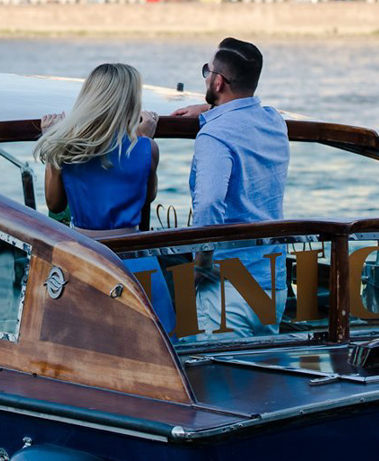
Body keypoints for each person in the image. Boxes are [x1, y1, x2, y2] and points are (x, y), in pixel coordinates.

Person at [184, 37, 289, 335]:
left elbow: (208, 204)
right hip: (272, 281)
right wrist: (207, 109)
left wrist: (202, 263)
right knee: (261, 377)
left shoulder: (215, 137)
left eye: (208, 71)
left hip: (228, 285)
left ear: (218, 82)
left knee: (220, 378)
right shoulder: (274, 122)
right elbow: (242, 112)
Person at [37, 63, 160, 237]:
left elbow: (55, 205)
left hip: (86, 253)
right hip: (134, 251)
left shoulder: (66, 146)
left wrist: (52, 143)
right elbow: (147, 197)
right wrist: (145, 139)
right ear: (131, 101)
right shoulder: (148, 148)